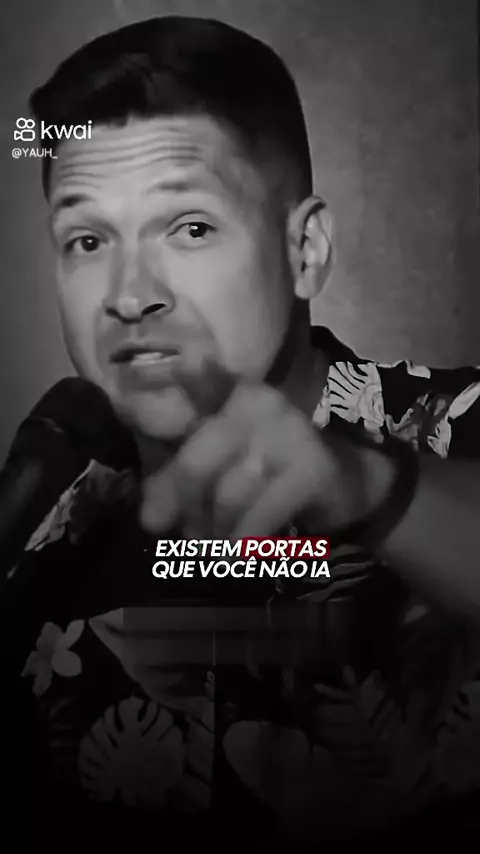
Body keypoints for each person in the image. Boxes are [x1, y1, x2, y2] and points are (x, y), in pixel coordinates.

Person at [6, 14, 480, 850]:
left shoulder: (460, 426)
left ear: (306, 250)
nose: (130, 294)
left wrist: (373, 490)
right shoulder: (44, 524)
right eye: (86, 239)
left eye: (189, 227)